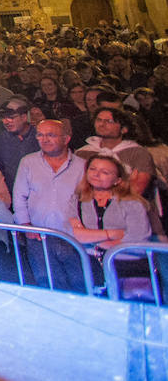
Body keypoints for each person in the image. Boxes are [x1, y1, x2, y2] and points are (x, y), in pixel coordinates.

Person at [12, 119, 89, 292]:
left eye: (51, 135)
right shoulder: (28, 162)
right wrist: (25, 225)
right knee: (47, 285)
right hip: (39, 237)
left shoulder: (82, 166)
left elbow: (87, 201)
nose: (44, 139)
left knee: (80, 285)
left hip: (72, 237)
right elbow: (19, 196)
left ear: (66, 138)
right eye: (40, 135)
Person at [68, 154, 154, 287]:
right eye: (93, 169)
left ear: (117, 180)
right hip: (90, 263)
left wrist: (95, 241)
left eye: (105, 172)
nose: (96, 174)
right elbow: (76, 234)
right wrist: (114, 234)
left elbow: (137, 239)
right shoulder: (77, 200)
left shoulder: (132, 203)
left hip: (127, 264)